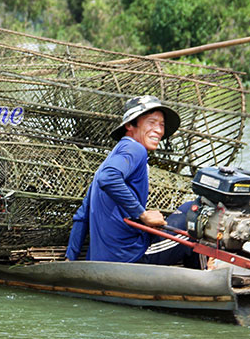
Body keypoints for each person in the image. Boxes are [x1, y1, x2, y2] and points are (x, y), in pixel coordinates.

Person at [65, 95, 202, 267]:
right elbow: (109, 178)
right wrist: (142, 215)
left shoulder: (106, 164)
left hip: (102, 259)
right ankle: (200, 278)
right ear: (130, 125)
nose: (159, 131)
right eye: (151, 123)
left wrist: (70, 258)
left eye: (161, 125)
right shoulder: (135, 149)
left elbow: (81, 216)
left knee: (184, 212)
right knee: (197, 211)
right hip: (131, 256)